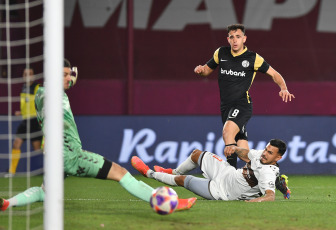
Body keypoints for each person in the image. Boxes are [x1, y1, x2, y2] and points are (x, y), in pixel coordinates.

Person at [0, 59, 196, 212]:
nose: (69, 78)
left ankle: (7, 203)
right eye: (64, 75)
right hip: (71, 156)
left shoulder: (44, 92)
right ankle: (167, 203)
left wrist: (65, 78)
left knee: (45, 192)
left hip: (54, 156)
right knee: (121, 173)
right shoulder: (48, 94)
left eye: (70, 74)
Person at [194, 24, 295, 168]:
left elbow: (274, 74)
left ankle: (229, 175)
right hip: (226, 107)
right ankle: (271, 174)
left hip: (242, 105)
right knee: (244, 152)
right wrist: (200, 70)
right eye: (232, 37)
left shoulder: (253, 58)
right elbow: (206, 71)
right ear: (228, 39)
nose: (235, 40)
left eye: (238, 37)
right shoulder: (221, 53)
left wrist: (283, 88)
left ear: (244, 39)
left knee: (228, 133)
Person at [131, 139, 291, 202]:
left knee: (184, 181)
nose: (264, 153)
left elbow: (270, 196)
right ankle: (172, 172)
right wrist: (235, 148)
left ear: (278, 158)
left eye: (270, 153)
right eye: (266, 149)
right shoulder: (260, 155)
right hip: (227, 173)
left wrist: (254, 201)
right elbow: (247, 154)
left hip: (223, 191)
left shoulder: (268, 172)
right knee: (196, 154)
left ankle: (148, 173)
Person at [6, 68, 43, 176]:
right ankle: (11, 171)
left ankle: (54, 169)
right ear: (23, 76)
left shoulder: (37, 88)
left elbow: (41, 103)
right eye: (26, 74)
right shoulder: (23, 88)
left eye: (30, 74)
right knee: (16, 143)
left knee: (38, 148)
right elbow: (27, 105)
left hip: (35, 122)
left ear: (33, 75)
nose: (28, 76)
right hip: (25, 121)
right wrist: (21, 113)